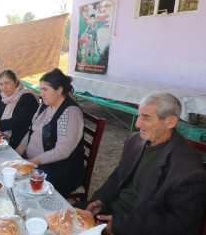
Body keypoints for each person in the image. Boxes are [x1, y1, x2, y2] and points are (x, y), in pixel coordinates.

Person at [80, 92, 206, 235]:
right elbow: (118, 175)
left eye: (146, 117)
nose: (138, 124)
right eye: (139, 115)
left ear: (171, 122)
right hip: (107, 216)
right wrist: (101, 199)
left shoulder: (188, 170)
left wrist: (122, 226)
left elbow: (181, 225)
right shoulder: (135, 140)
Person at [15, 68, 85, 196]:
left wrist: (30, 163)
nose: (41, 94)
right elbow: (31, 129)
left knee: (19, 189)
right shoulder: (46, 104)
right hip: (36, 163)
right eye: (41, 89)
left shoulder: (70, 113)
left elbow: (62, 152)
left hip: (60, 171)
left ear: (59, 90)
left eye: (45, 89)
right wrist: (17, 153)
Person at [0, 69, 39, 149]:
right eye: (1, 84)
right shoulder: (1, 95)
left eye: (7, 83)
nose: (4, 87)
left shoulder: (27, 97)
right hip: (1, 137)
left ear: (15, 82)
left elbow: (17, 122)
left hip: (20, 142)